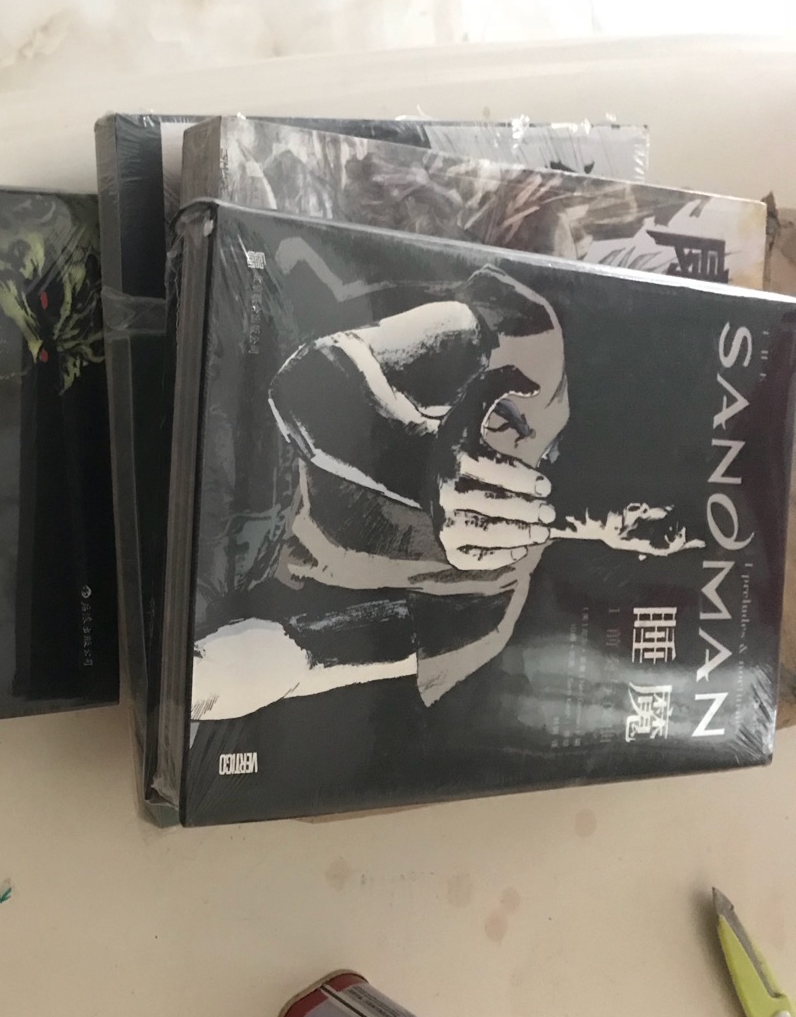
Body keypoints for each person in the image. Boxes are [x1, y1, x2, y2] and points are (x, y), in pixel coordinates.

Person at [191, 264, 570, 721]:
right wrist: (419, 467)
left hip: (232, 560)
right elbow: (307, 382)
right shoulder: (530, 341)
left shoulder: (492, 614)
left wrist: (197, 684)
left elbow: (303, 657)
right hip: (239, 386)